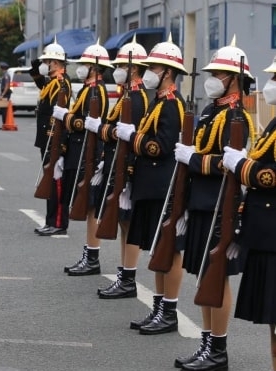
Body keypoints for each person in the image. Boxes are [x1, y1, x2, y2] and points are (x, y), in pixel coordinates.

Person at [172, 40, 253, 370]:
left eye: (219, 72)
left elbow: (226, 163)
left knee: (216, 276)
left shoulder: (237, 116)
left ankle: (218, 350)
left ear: (234, 78)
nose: (212, 77)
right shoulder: (211, 111)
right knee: (205, 276)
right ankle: (207, 344)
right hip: (201, 201)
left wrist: (192, 158)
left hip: (221, 204)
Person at [114, 36, 186, 335]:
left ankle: (169, 310)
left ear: (167, 71)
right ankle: (158, 308)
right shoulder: (159, 100)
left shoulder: (171, 104)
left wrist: (133, 138)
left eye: (154, 67)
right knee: (156, 250)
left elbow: (163, 146)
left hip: (162, 185)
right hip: (149, 182)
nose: (148, 72)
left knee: (166, 249)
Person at [223, 53, 276, 371]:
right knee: (273, 321)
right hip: (265, 231)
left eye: (275, 79)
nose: (269, 85)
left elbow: (271, 176)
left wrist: (241, 165)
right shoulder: (273, 122)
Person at [90, 39, 150, 299]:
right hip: (118, 164)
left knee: (129, 222)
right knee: (124, 223)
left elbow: (126, 133)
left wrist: (106, 131)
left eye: (121, 66)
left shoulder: (136, 98)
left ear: (134, 69)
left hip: (129, 168)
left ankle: (128, 276)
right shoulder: (129, 94)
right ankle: (125, 274)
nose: (117, 70)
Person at [55, 43, 111, 275]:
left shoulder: (96, 91)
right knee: (86, 207)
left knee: (90, 207)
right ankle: (89, 253)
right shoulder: (89, 89)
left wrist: (67, 117)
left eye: (86, 65)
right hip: (80, 150)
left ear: (96, 68)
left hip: (89, 152)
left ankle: (93, 257)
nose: (81, 68)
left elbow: (87, 123)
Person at [29, 41, 72, 235]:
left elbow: (60, 114)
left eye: (47, 61)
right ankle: (50, 220)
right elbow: (42, 86)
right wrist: (35, 69)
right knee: (49, 180)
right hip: (46, 138)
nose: (46, 64)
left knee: (56, 183)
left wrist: (60, 144)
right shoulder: (52, 81)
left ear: (56, 63)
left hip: (54, 139)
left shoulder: (62, 82)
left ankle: (58, 222)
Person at [0, 62, 11, 128]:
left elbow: (7, 86)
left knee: (4, 110)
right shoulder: (5, 75)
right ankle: (4, 124)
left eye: (0, 68)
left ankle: (4, 124)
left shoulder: (6, 75)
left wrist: (3, 94)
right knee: (2, 110)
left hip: (5, 93)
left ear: (2, 68)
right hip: (4, 93)